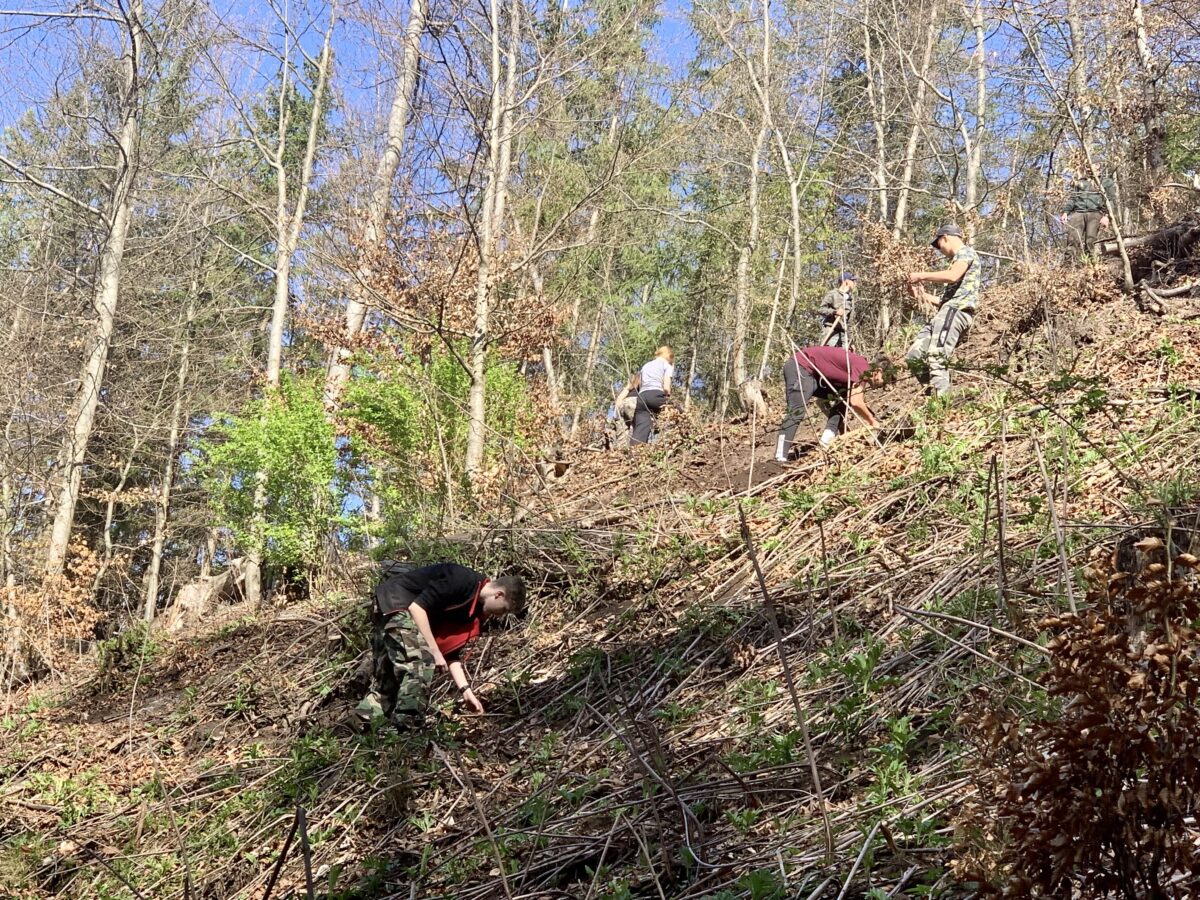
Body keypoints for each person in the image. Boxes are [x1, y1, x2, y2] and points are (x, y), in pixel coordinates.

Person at [356, 561, 526, 724]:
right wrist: (434, 651)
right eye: (504, 609)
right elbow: (417, 608)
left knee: (390, 684)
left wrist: (465, 691)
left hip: (393, 606)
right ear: (499, 595)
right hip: (397, 602)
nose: (500, 615)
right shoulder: (462, 580)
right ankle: (408, 732)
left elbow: (451, 653)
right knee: (421, 663)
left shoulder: (473, 612)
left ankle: (351, 728)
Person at [905, 223, 980, 397]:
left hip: (956, 311)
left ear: (945, 237)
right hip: (946, 311)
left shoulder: (966, 253)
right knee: (914, 356)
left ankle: (943, 404)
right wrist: (920, 295)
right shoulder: (956, 261)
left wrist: (921, 275)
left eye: (940, 246)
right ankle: (935, 395)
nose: (941, 251)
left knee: (936, 356)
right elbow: (943, 301)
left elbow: (952, 276)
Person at [775, 345, 886, 461]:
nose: (882, 386)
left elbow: (851, 398)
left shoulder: (859, 368)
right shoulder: (863, 367)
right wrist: (872, 420)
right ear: (878, 372)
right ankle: (780, 456)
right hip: (801, 367)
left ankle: (826, 440)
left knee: (846, 395)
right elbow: (856, 402)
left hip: (815, 376)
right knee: (796, 411)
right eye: (884, 380)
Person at [1061, 174, 1117, 259]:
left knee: (1090, 241)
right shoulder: (1080, 182)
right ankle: (1068, 266)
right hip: (1078, 212)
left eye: (1097, 164)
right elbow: (1073, 198)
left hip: (1095, 213)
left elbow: (1111, 200)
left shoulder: (1106, 181)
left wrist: (1106, 216)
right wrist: (1066, 212)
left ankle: (1091, 265)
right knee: (1072, 240)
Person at [632, 346, 674, 445]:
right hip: (655, 394)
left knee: (642, 427)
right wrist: (668, 398)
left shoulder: (646, 365)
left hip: (641, 397)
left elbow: (640, 383)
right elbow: (666, 386)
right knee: (678, 411)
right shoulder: (667, 365)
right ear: (668, 355)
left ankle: (633, 453)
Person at [819, 272, 857, 348]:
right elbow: (821, 309)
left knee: (843, 358)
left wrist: (851, 341)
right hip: (831, 331)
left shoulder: (850, 300)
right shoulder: (833, 294)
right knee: (828, 356)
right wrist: (834, 312)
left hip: (843, 334)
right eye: (852, 281)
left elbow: (849, 323)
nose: (854, 283)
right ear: (846, 282)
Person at [613, 373, 639, 448]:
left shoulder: (631, 385)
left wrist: (616, 414)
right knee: (638, 427)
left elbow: (619, 399)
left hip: (622, 404)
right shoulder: (645, 380)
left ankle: (620, 455)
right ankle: (635, 450)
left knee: (622, 437)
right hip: (634, 402)